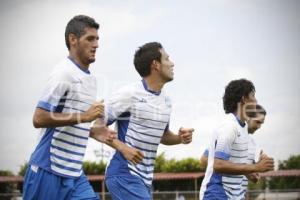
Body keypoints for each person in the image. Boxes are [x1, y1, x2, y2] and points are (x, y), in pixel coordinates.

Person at [23, 15, 115, 200]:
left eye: (97, 39)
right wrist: (84, 117)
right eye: (90, 38)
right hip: (48, 170)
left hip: (74, 174)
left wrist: (93, 131)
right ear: (73, 40)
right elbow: (39, 118)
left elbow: (74, 119)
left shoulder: (91, 80)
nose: (96, 44)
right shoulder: (63, 73)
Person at [102, 42, 194, 200]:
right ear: (155, 65)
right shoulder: (129, 93)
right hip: (123, 173)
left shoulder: (166, 101)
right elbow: (94, 125)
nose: (172, 63)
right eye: (167, 59)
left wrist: (180, 138)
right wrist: (123, 148)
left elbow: (163, 136)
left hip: (144, 180)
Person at [199, 79, 274, 200]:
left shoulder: (242, 128)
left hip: (236, 195)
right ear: (244, 99)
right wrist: (256, 167)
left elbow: (235, 165)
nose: (256, 100)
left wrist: (250, 172)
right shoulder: (229, 126)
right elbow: (218, 165)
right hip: (216, 194)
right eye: (253, 96)